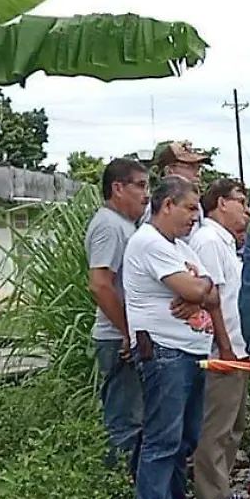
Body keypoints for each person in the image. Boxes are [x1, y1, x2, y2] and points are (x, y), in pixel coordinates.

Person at [124, 177, 232, 499]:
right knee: (162, 436)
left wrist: (199, 292)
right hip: (163, 350)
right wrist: (196, 290)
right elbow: (196, 289)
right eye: (189, 208)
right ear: (166, 205)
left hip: (188, 351)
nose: (194, 216)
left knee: (185, 437)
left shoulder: (180, 247)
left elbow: (213, 293)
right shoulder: (150, 243)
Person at [189, 177, 250, 499]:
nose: (245, 209)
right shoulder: (209, 242)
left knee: (233, 424)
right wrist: (225, 348)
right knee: (216, 426)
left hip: (235, 347)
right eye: (240, 201)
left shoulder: (225, 242)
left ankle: (222, 488)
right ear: (220, 203)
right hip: (220, 349)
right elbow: (210, 299)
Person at [88, 158, 150, 475]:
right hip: (117, 339)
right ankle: (121, 496)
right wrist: (128, 331)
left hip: (127, 336)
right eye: (139, 185)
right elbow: (100, 284)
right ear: (117, 188)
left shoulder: (126, 226)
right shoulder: (109, 226)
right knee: (126, 421)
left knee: (137, 418)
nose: (146, 194)